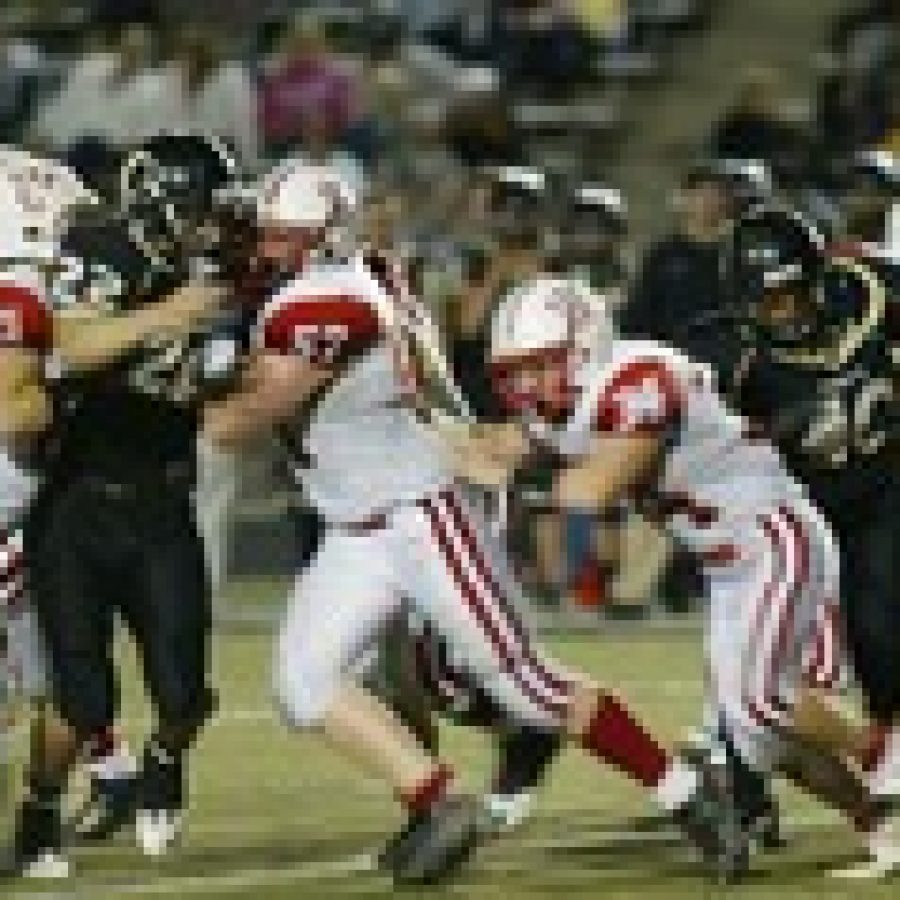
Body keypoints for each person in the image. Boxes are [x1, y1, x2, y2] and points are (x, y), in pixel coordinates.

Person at [203, 158, 749, 887]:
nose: (257, 248)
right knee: (305, 685)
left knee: (521, 684)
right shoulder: (345, 278)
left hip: (425, 508)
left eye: (275, 236)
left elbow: (237, 421)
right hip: (358, 525)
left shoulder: (325, 303)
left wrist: (177, 375)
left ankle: (688, 796)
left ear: (318, 241)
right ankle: (437, 802)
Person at [9, 134, 238, 876]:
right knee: (82, 697)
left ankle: (163, 760)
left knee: (184, 688)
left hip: (163, 500)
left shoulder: (217, 269)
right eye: (203, 208)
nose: (212, 225)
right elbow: (66, 352)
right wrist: (163, 318)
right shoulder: (101, 248)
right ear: (162, 200)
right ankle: (40, 812)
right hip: (76, 503)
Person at [728, 204, 899, 879]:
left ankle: (885, 786)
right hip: (812, 523)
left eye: (791, 293)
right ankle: (750, 789)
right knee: (769, 677)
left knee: (882, 635)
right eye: (765, 301)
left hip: (890, 489)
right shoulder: (741, 366)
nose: (782, 312)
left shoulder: (879, 290)